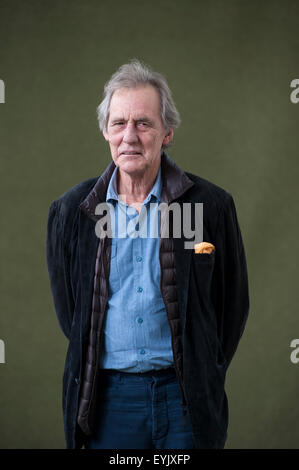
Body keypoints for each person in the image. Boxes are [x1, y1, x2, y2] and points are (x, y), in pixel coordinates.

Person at [46, 59, 249, 449]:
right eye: (119, 123)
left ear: (167, 132)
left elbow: (232, 306)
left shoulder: (210, 207)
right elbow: (71, 314)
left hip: (186, 400)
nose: (130, 136)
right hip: (108, 402)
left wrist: (204, 369)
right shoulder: (72, 212)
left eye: (143, 123)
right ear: (106, 130)